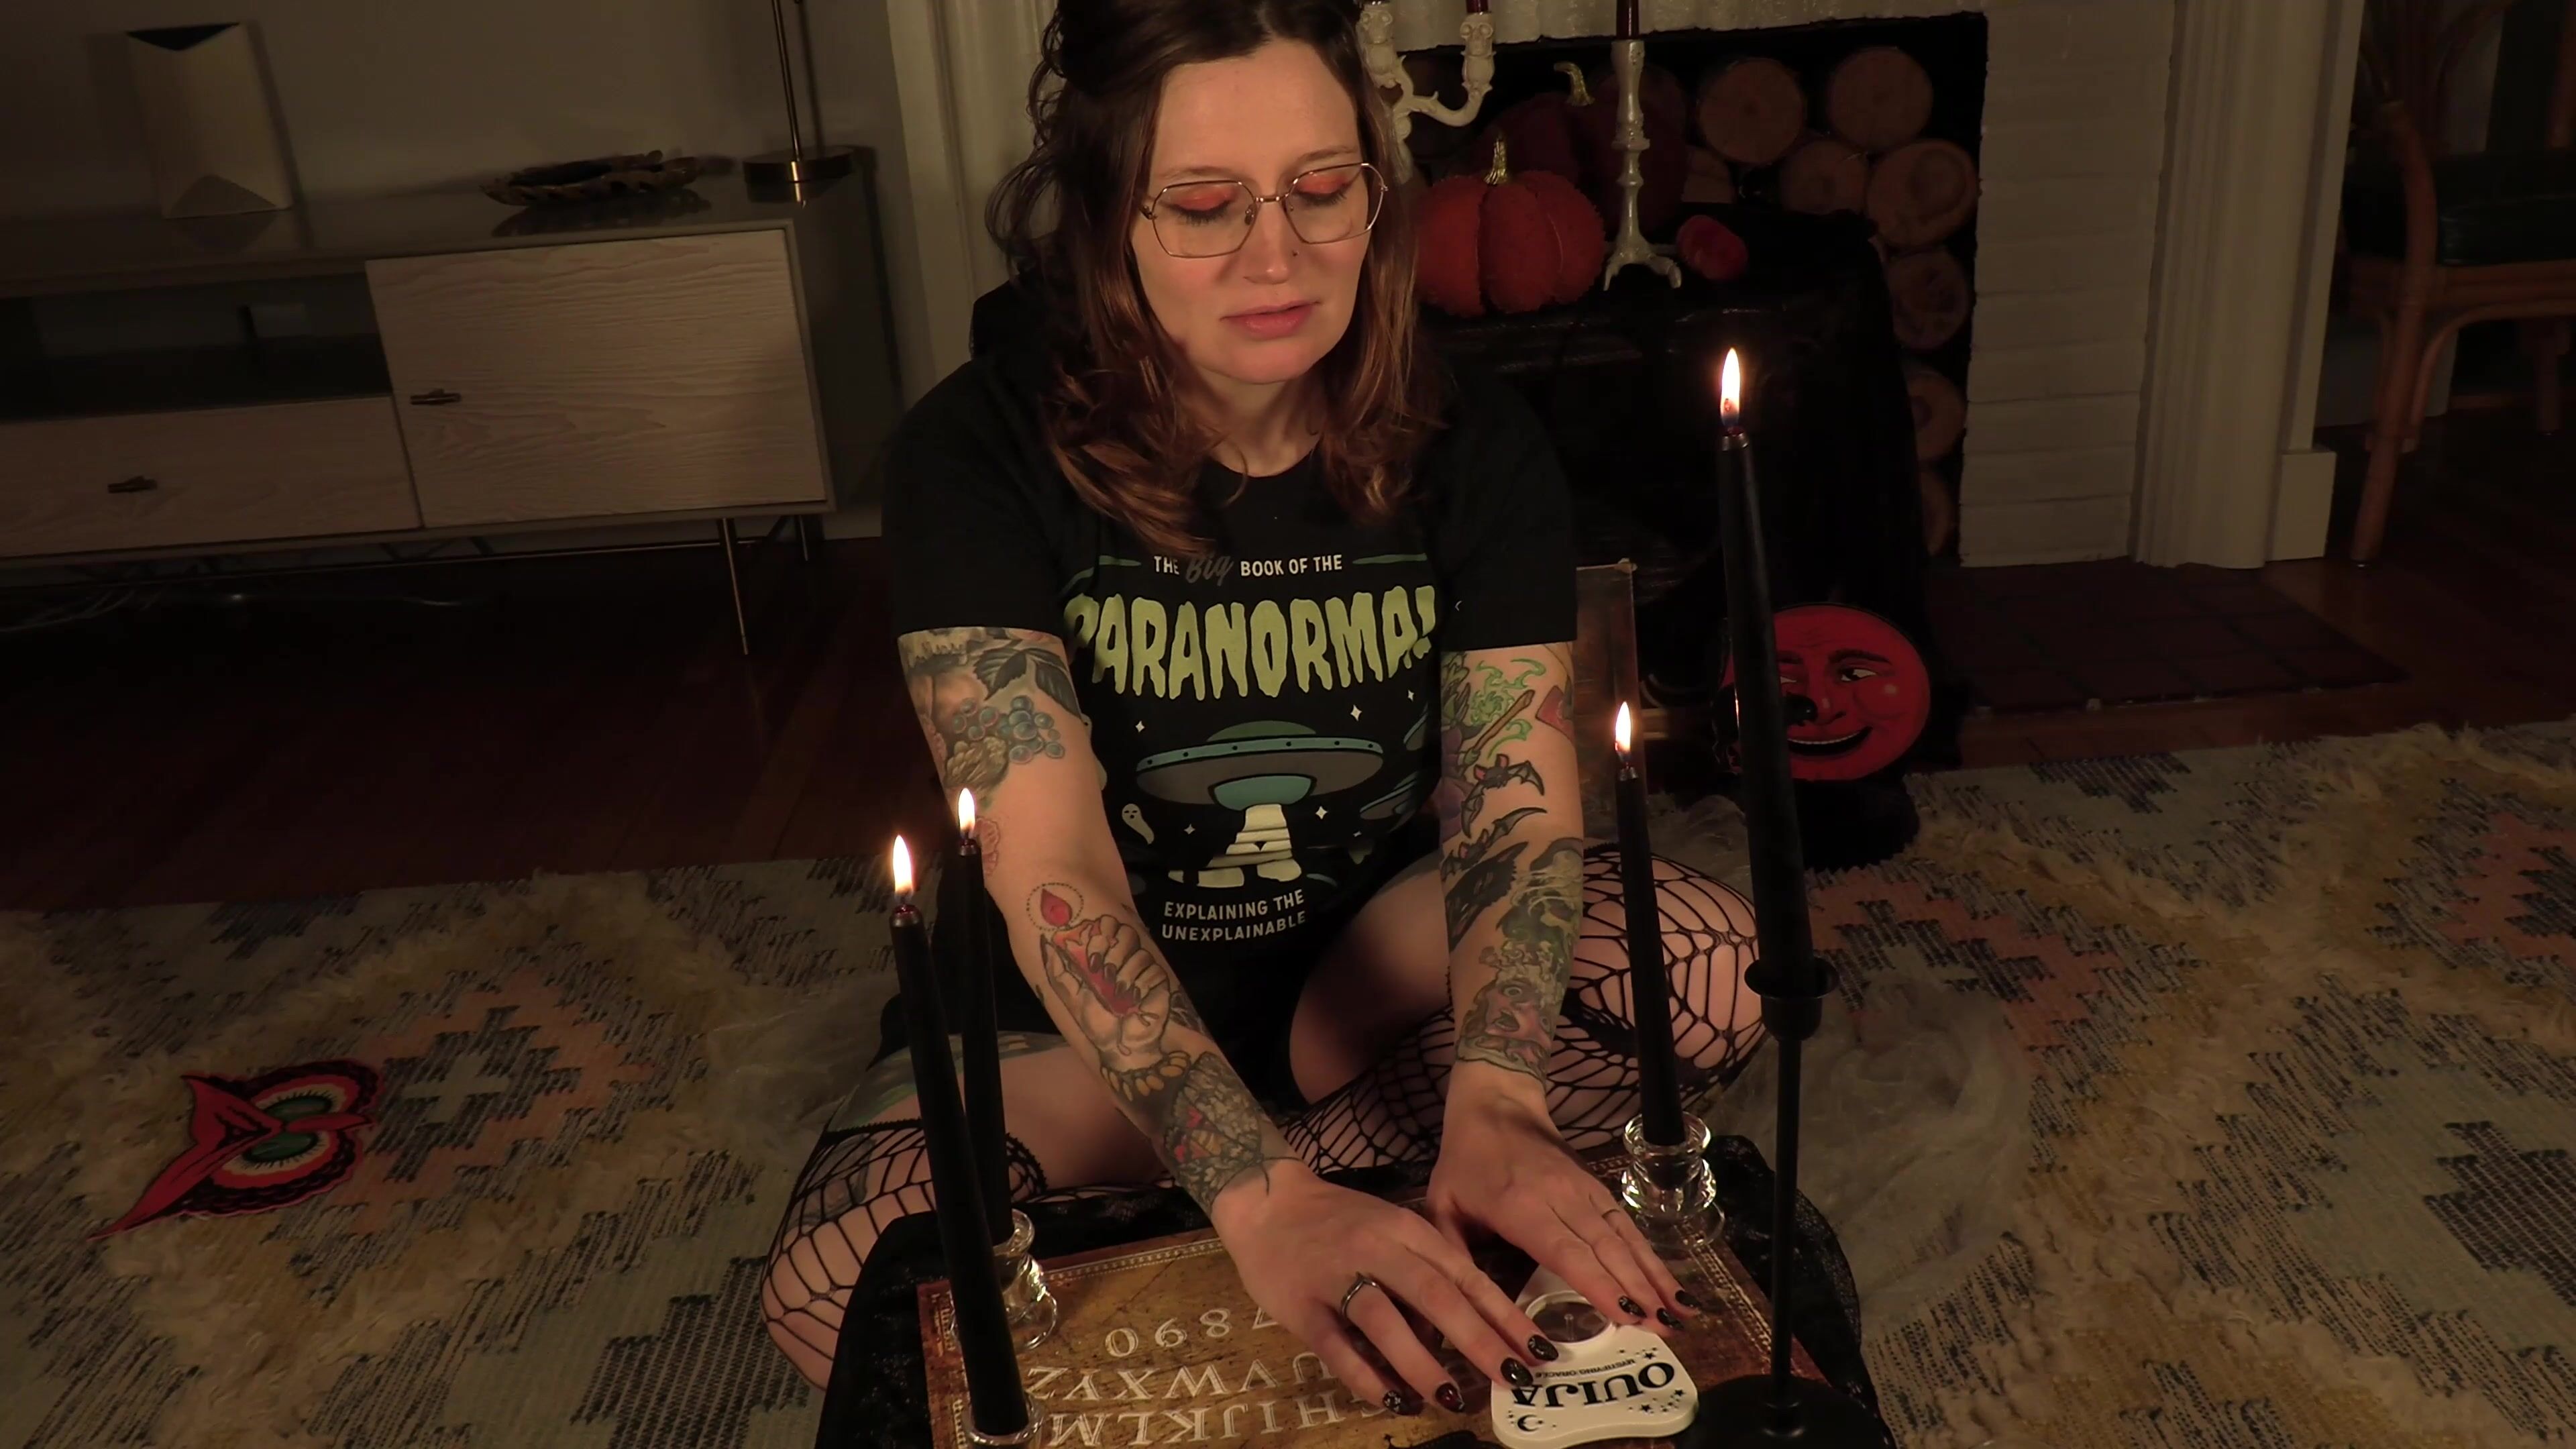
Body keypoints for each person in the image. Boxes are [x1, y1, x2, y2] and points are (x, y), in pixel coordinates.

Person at [761, 0, 1768, 1415]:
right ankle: (1323, 1209)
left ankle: (1335, 1207)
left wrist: (1498, 1099)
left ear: (1375, 189)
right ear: (1105, 216)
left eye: (1320, 187)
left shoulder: (1473, 440)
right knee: (843, 1286)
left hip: (1356, 975)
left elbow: (1515, 819)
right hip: (1082, 1040)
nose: (1276, 254)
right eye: (1203, 205)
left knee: (1714, 973)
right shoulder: (972, 453)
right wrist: (1254, 1190)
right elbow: (1055, 872)